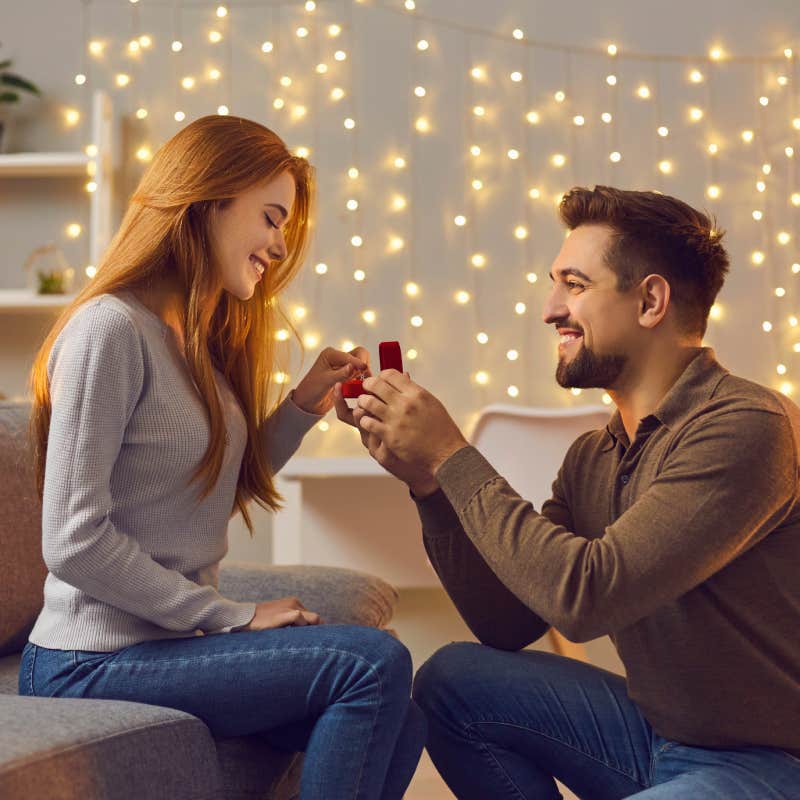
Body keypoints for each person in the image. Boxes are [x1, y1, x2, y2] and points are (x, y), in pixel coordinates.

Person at [337, 186, 800, 799]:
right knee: (454, 682)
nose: (551, 309)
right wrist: (428, 482)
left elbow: (587, 595)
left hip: (768, 764)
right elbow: (508, 623)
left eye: (575, 285)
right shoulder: (596, 454)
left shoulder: (746, 425)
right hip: (653, 738)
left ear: (651, 300)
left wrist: (451, 454)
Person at [19, 114, 425, 800]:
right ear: (210, 199)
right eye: (270, 217)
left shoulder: (192, 342)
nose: (278, 243)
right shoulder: (108, 330)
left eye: (285, 226)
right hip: (88, 659)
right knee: (371, 664)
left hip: (163, 644)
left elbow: (205, 490)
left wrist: (304, 405)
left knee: (408, 711)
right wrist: (229, 615)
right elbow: (72, 540)